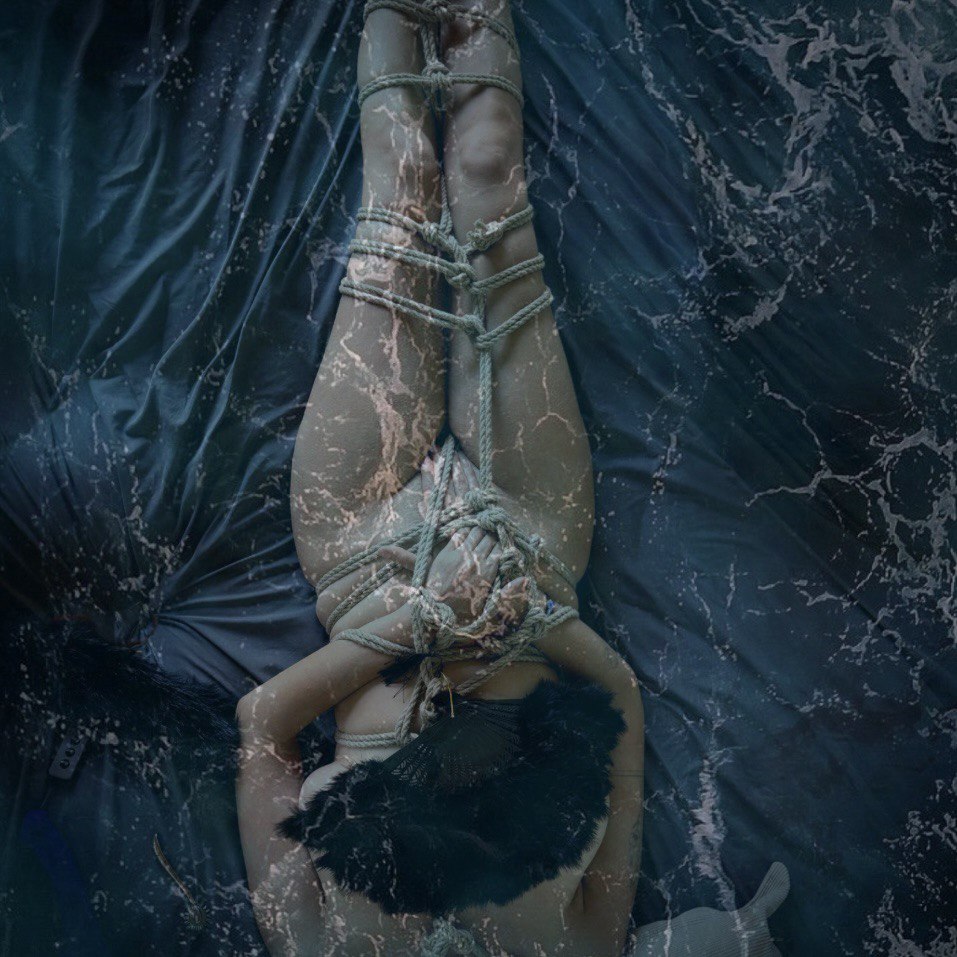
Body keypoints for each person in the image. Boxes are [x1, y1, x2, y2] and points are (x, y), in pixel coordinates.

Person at [235, 1, 644, 954]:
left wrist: (414, 621)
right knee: (490, 180)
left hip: (364, 561)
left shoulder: (312, 946)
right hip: (525, 564)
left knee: (403, 190)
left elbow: (261, 728)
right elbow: (623, 707)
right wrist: (540, 621)